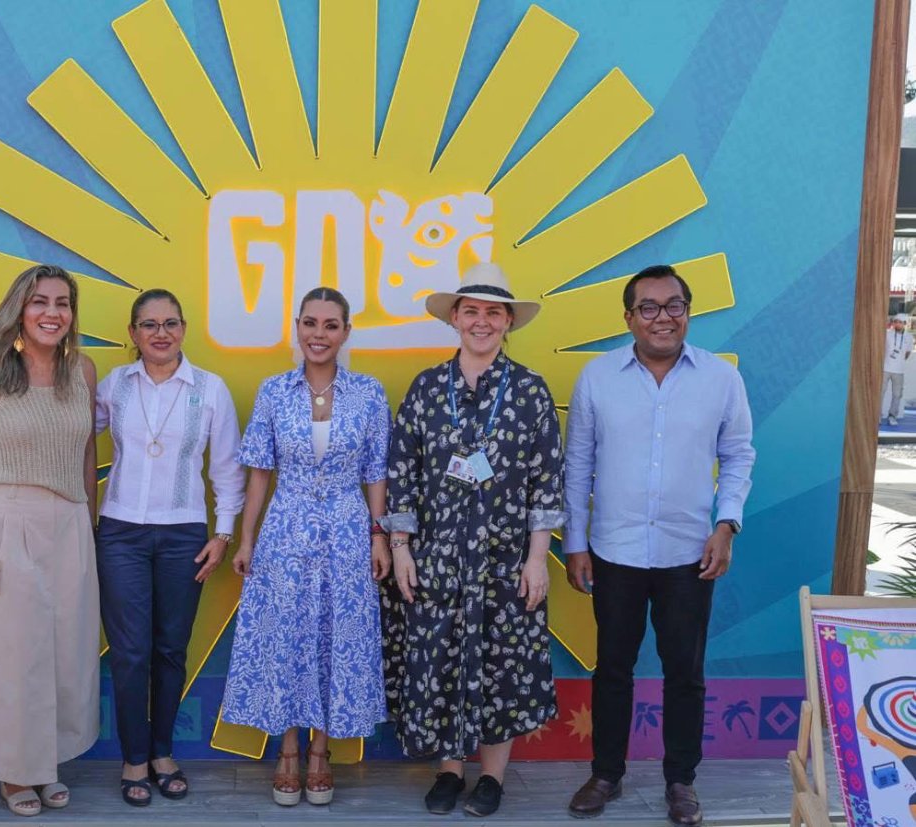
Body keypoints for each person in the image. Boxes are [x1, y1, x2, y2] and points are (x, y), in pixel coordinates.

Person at [563, 264, 755, 826]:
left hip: (690, 552)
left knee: (685, 674)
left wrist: (727, 525)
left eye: (674, 305)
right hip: (614, 551)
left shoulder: (721, 379)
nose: (662, 317)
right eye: (648, 307)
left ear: (688, 312)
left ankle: (681, 782)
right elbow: (577, 465)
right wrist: (575, 544)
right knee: (613, 669)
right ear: (629, 317)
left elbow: (739, 454)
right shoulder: (597, 378)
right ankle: (606, 774)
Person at [383, 261, 565, 818]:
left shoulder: (530, 390)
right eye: (471, 311)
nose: (481, 321)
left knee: (501, 665)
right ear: (455, 319)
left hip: (505, 560)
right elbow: (402, 471)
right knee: (438, 660)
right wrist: (401, 549)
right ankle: (448, 770)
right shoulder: (426, 388)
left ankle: (491, 777)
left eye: (493, 312)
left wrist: (538, 558)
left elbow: (546, 480)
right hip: (436, 559)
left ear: (508, 322)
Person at [221, 287, 391, 807]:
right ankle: (288, 750)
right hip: (286, 530)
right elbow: (259, 473)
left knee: (335, 636)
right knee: (288, 637)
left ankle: (321, 752)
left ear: (346, 332)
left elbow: (376, 472)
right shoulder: (274, 391)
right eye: (310, 323)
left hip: (347, 531)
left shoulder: (369, 393)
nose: (319, 334)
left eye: (330, 325)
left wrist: (379, 536)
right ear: (297, 327)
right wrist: (246, 539)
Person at [0, 264, 99, 817]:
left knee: (64, 652)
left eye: (63, 303)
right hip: (9, 518)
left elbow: (87, 453)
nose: (52, 313)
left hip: (71, 521)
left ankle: (45, 762)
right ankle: (14, 772)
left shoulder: (83, 370)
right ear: (19, 310)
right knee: (15, 654)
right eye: (40, 302)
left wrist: (89, 522)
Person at [94, 288, 245, 807]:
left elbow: (227, 468)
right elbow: (71, 431)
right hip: (120, 532)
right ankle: (134, 759)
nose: (161, 333)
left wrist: (223, 534)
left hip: (184, 536)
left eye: (170, 323)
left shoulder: (210, 389)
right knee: (129, 652)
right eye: (149, 324)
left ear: (183, 329)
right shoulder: (114, 385)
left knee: (169, 649)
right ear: (133, 333)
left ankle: (162, 753)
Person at [882, 313, 912, 426]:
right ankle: (877, 416)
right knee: (880, 393)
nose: (897, 324)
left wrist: (899, 361)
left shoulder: (909, 337)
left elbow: (907, 353)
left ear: (904, 324)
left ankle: (892, 416)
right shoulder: (887, 334)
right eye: (895, 322)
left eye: (900, 322)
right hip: (885, 369)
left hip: (899, 371)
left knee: (897, 394)